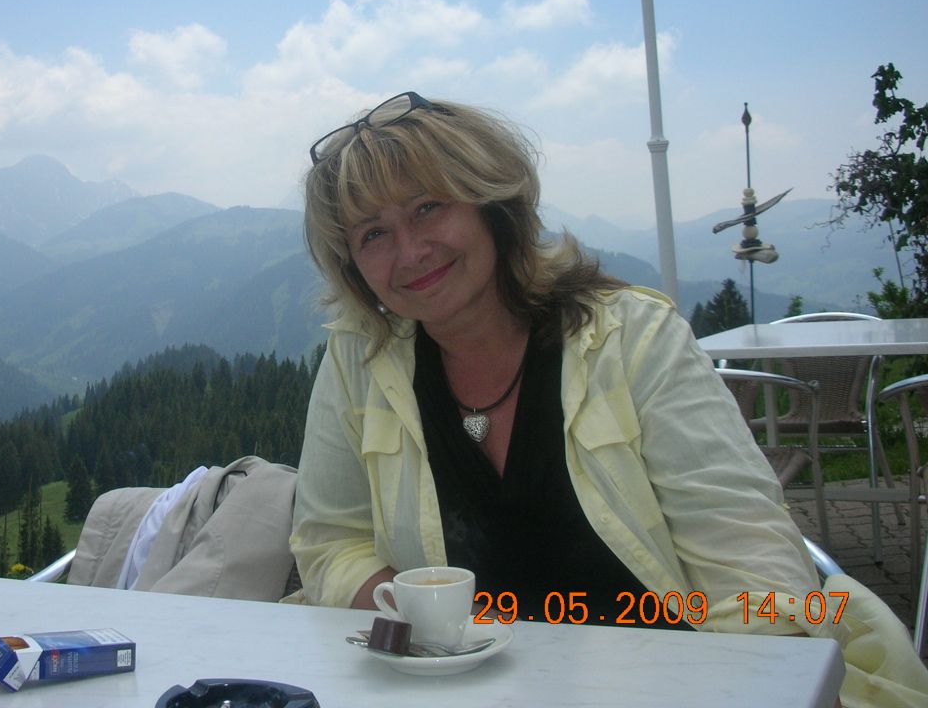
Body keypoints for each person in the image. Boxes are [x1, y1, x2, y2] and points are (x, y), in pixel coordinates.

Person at [289, 92, 928, 706]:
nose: (409, 251)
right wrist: (423, 631)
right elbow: (330, 542)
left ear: (491, 204)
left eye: (428, 207)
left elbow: (748, 560)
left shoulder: (633, 339)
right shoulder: (359, 359)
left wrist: (753, 685)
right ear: (353, 266)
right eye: (373, 234)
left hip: (682, 680)